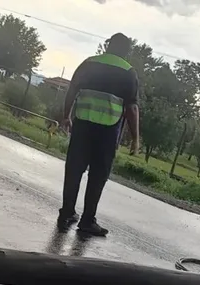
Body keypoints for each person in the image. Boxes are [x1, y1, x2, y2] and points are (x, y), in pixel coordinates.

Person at [58, 33, 141, 236]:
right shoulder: (128, 72)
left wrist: (66, 116)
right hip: (107, 131)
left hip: (83, 125)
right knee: (97, 176)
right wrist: (135, 138)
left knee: (74, 170)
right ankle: (87, 221)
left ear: (107, 46)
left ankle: (66, 212)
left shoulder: (89, 64)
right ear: (126, 51)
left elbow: (72, 91)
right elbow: (132, 108)